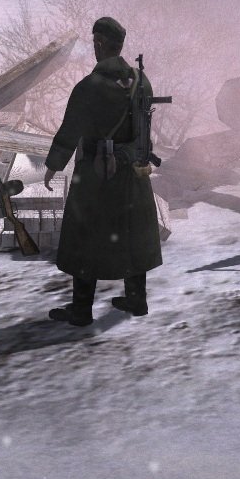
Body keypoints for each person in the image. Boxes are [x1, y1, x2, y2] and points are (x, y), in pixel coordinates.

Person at [42, 16, 162, 327]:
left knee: (86, 237)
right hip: (132, 171)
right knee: (132, 232)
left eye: (95, 42)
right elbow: (145, 128)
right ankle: (136, 299)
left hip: (96, 176)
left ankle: (81, 311)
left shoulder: (89, 87)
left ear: (99, 43)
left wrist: (53, 165)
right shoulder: (142, 81)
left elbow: (70, 131)